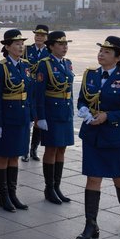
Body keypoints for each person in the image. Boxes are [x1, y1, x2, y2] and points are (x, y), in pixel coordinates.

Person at [75, 36, 120, 239]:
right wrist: (84, 111)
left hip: (114, 135)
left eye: (107, 52)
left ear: (118, 57)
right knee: (93, 177)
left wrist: (108, 116)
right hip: (92, 135)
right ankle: (90, 224)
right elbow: (81, 100)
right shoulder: (90, 75)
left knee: (118, 177)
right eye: (101, 50)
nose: (101, 54)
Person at [0, 29, 35, 212]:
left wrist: (31, 116)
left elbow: (29, 93)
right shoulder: (1, 67)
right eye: (16, 44)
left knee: (15, 155)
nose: (20, 46)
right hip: (7, 118)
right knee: (3, 156)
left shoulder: (25, 65)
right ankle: (4, 196)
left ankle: (13, 193)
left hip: (22, 116)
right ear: (7, 47)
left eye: (22, 43)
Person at [35, 31, 75, 205]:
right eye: (60, 44)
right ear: (51, 46)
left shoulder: (67, 63)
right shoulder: (44, 64)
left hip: (65, 111)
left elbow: (69, 89)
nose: (64, 47)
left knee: (62, 149)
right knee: (51, 149)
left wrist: (72, 109)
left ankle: (57, 186)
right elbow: (39, 93)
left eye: (66, 44)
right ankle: (49, 187)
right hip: (51, 112)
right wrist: (40, 116)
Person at [23, 24, 50, 162]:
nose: (39, 37)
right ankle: (24, 150)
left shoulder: (50, 52)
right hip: (29, 87)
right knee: (27, 118)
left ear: (47, 37)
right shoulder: (26, 50)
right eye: (37, 35)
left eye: (42, 35)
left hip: (42, 89)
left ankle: (34, 148)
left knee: (39, 118)